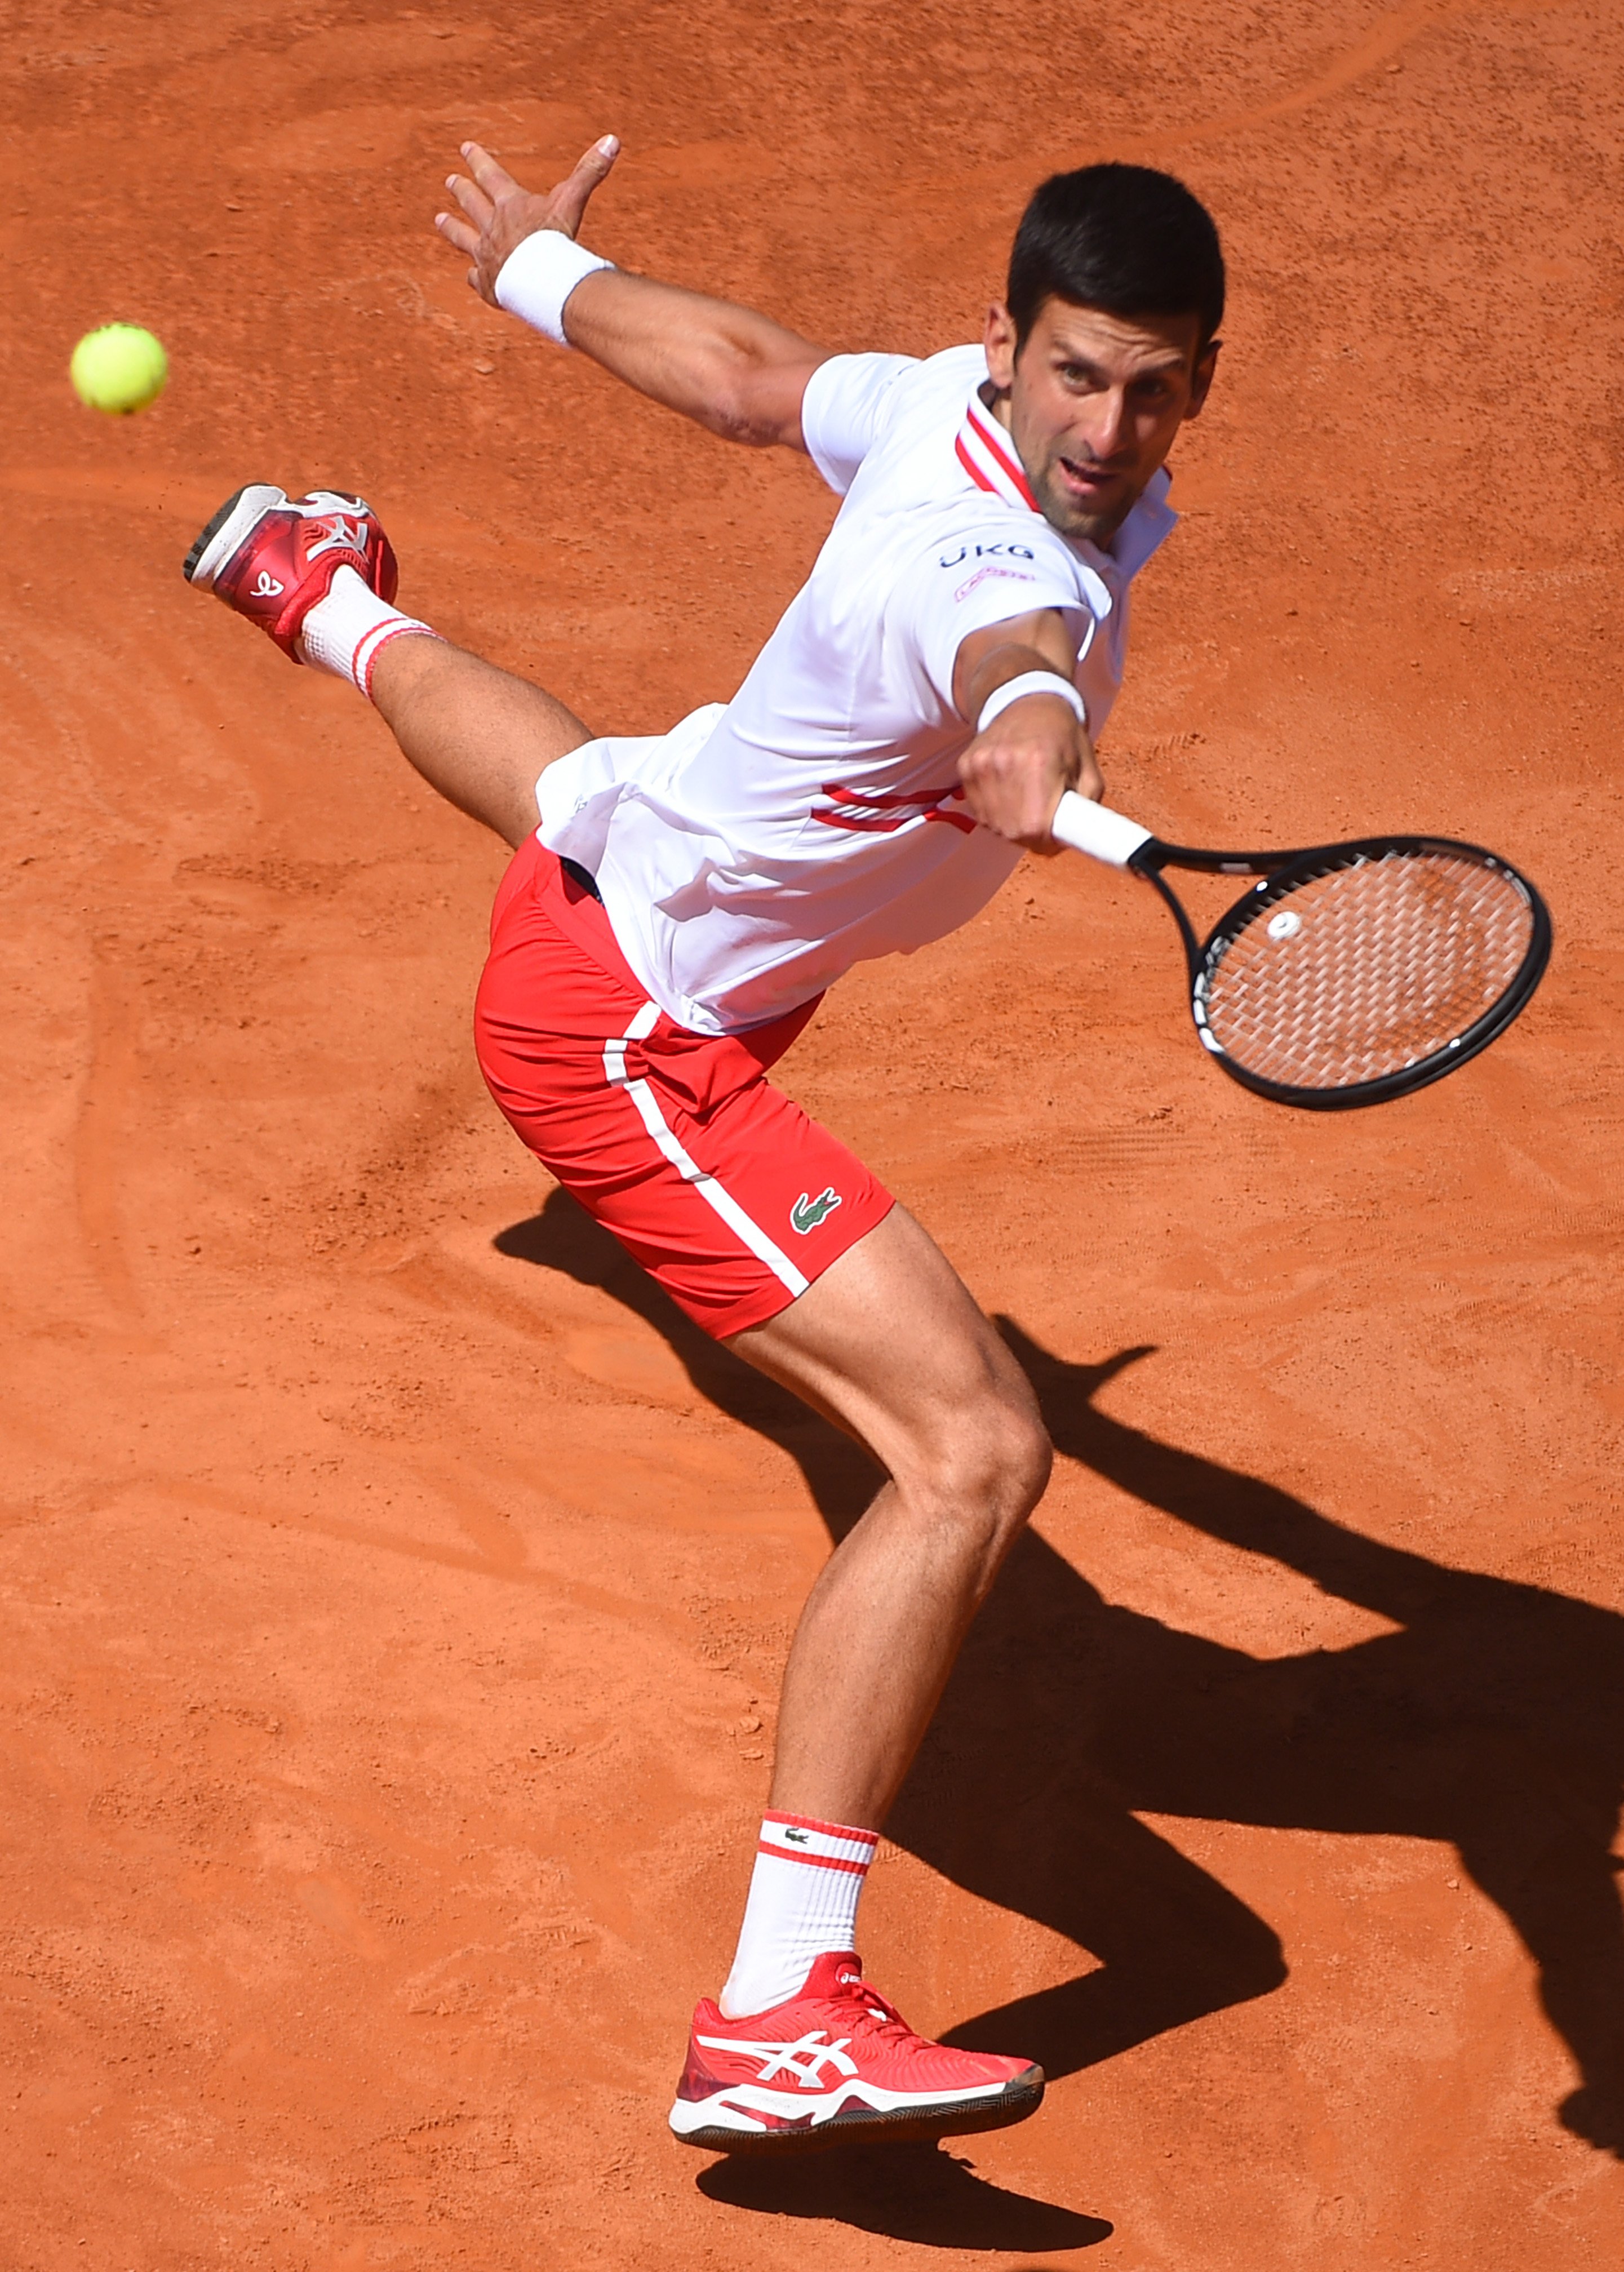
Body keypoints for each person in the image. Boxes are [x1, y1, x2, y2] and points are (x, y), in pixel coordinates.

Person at [183, 136, 1223, 2154]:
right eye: (1081, 375)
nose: (1113, 427)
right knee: (973, 1452)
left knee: (575, 787)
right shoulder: (991, 564)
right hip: (642, 1044)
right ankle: (777, 2010)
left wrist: (541, 270)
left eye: (1159, 382)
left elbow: (755, 376)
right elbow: (1009, 653)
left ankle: (312, 595)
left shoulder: (934, 404)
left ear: (1198, 375)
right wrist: (1029, 735)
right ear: (1014, 348)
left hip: (651, 881)